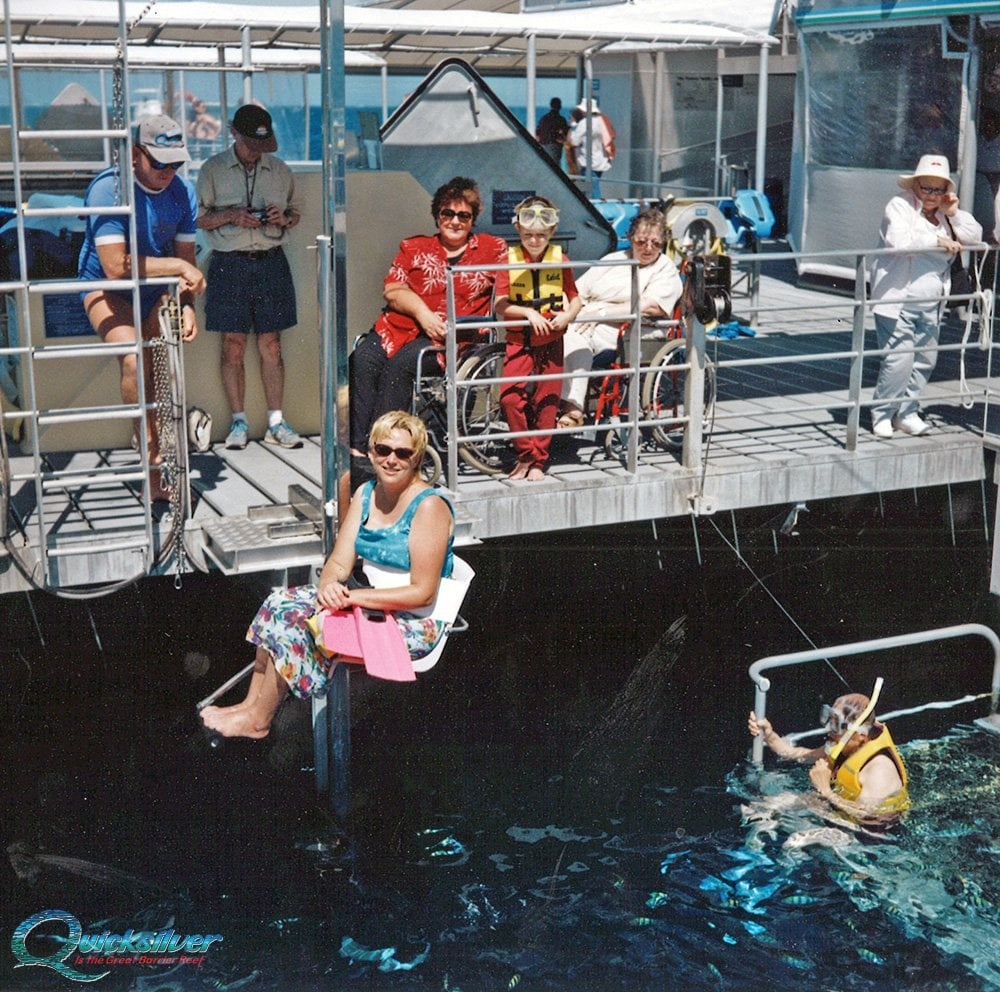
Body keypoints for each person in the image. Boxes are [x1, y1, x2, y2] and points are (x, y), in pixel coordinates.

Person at [200, 410, 455, 739]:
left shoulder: (428, 507)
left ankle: (259, 721)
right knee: (279, 603)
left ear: (417, 457)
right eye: (383, 450)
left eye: (403, 453)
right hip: (374, 605)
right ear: (372, 450)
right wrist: (329, 587)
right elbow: (338, 562)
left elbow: (422, 592)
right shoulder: (366, 494)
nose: (391, 459)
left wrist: (351, 597)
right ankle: (250, 705)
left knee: (299, 625)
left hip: (415, 620)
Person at [77, 114, 205, 503]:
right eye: (159, 162)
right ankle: (150, 459)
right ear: (135, 155)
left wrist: (186, 305)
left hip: (153, 291)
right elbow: (116, 267)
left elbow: (187, 264)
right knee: (135, 360)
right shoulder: (107, 189)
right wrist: (182, 268)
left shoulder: (183, 193)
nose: (168, 171)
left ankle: (157, 446)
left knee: (158, 368)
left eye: (175, 163)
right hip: (105, 288)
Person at [348, 176, 507, 476]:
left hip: (452, 339)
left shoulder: (492, 249)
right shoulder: (414, 247)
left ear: (473, 219)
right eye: (448, 213)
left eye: (464, 215)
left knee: (402, 366)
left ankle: (384, 448)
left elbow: (504, 294)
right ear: (437, 216)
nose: (455, 221)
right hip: (398, 328)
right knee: (363, 359)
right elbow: (393, 290)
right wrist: (423, 313)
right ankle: (359, 446)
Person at [196, 104, 303, 450]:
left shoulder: (281, 171)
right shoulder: (211, 170)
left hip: (271, 261)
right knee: (233, 345)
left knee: (271, 345)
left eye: (262, 146)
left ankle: (276, 421)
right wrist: (231, 216)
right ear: (234, 135)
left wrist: (281, 218)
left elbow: (295, 214)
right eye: (250, 145)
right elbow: (199, 219)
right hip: (230, 264)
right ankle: (238, 422)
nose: (257, 154)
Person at [868, 154, 982, 438]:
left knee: (924, 360)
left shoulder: (945, 215)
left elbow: (975, 235)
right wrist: (937, 240)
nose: (931, 195)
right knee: (899, 360)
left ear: (946, 191)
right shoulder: (899, 206)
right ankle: (882, 413)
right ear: (915, 185)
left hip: (931, 302)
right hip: (897, 300)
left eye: (938, 189)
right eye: (926, 188)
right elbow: (898, 241)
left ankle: (907, 412)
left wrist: (955, 213)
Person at [558, 208, 682, 429]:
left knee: (572, 335)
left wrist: (600, 314)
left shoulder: (664, 268)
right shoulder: (614, 259)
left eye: (656, 243)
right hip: (589, 317)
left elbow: (650, 305)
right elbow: (577, 291)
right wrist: (565, 311)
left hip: (634, 328)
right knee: (556, 330)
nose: (648, 248)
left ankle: (573, 407)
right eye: (642, 241)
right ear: (631, 238)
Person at [494, 196, 583, 480]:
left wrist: (567, 316)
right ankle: (525, 454)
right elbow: (500, 305)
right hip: (520, 341)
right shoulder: (507, 261)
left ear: (551, 233)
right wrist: (527, 313)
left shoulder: (561, 260)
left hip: (552, 341)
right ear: (519, 231)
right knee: (509, 398)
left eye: (541, 235)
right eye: (529, 234)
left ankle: (538, 462)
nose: (535, 240)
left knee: (548, 400)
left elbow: (575, 299)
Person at [748, 687, 909, 823]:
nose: (829, 729)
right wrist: (769, 735)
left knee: (796, 841)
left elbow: (865, 814)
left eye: (837, 725)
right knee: (768, 805)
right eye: (829, 720)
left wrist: (825, 791)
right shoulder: (841, 746)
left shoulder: (879, 769)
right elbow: (796, 754)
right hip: (838, 807)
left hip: (872, 830)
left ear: (861, 735)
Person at [566, 105, 612, 195]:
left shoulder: (583, 125)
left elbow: (572, 142)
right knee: (588, 186)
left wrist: (572, 128)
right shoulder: (599, 123)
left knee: (592, 188)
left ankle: (596, 207)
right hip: (599, 161)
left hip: (588, 162)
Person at [535, 97, 569, 164]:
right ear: (560, 106)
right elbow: (565, 135)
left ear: (550, 106)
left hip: (543, 146)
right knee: (554, 168)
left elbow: (537, 134)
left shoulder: (543, 118)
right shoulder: (561, 119)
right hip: (554, 147)